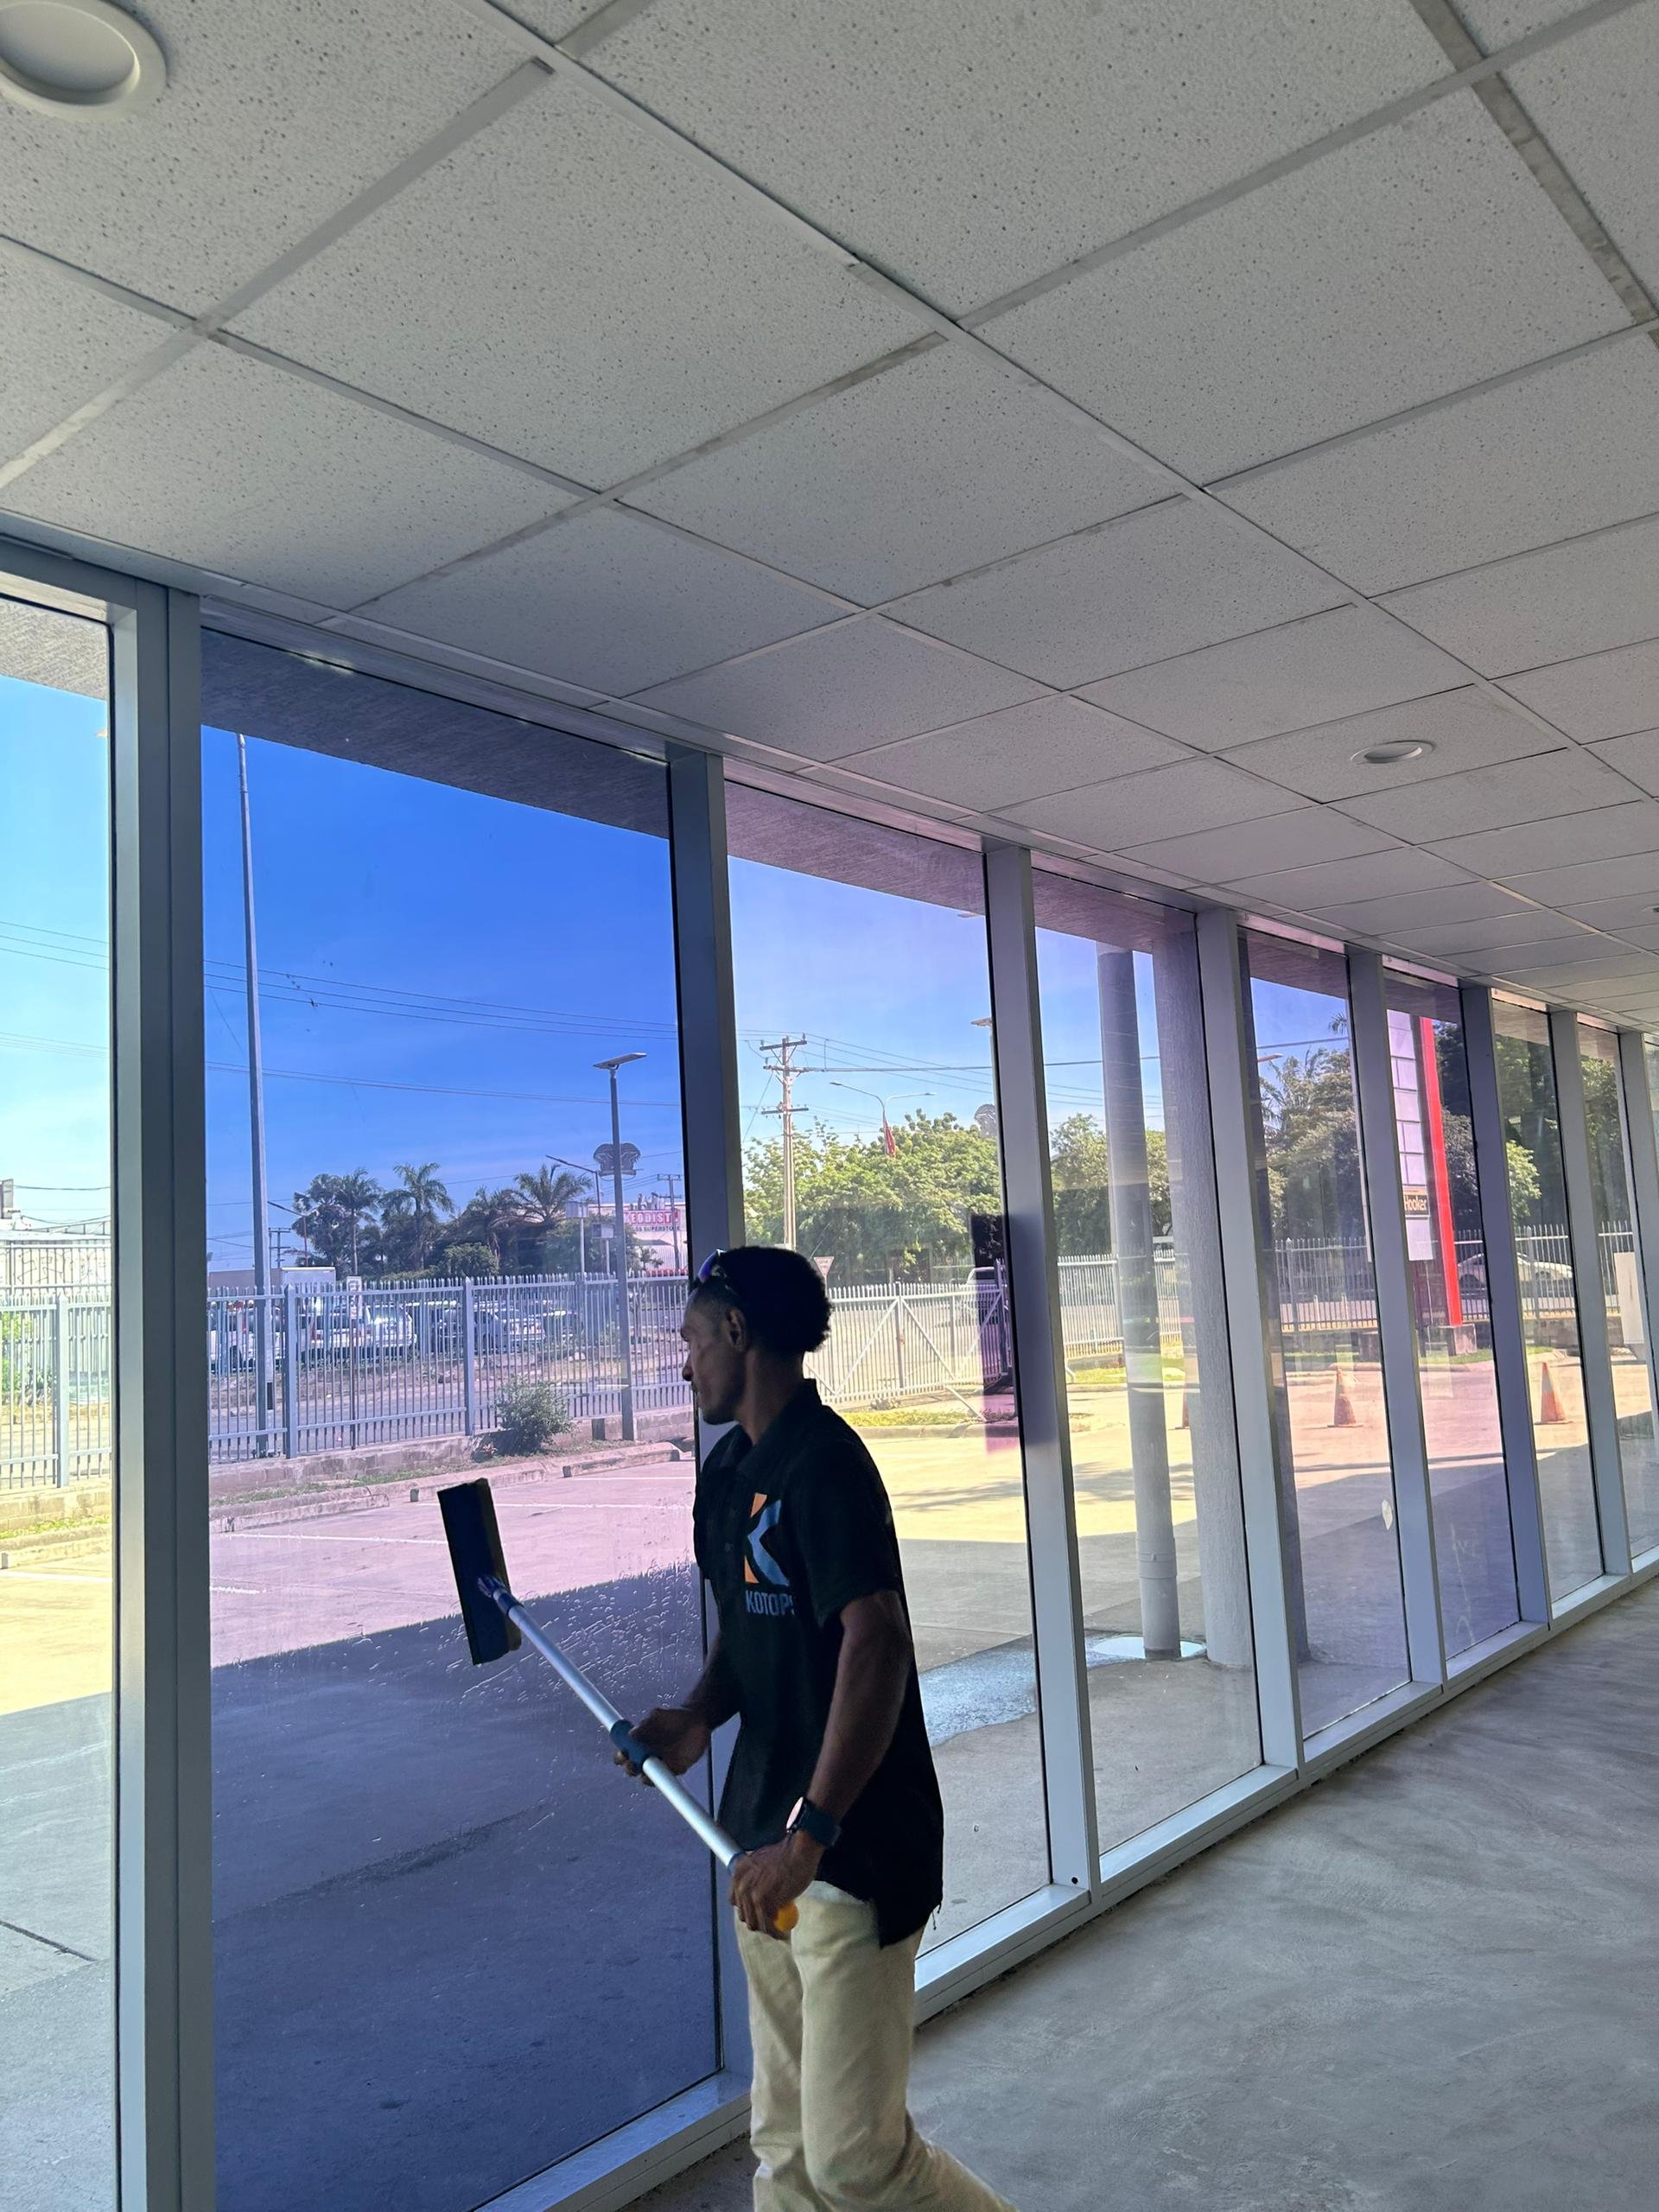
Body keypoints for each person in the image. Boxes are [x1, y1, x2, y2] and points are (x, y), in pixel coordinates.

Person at [620, 1244, 1018, 2212]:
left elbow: (873, 1642)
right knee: (785, 2146)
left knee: (856, 2160)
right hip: (760, 1844)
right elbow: (755, 1624)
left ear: (738, 1333)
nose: (683, 1366)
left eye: (691, 1340)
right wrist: (696, 1716)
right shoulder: (727, 1473)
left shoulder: (828, 1464)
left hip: (847, 1851)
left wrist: (812, 1833)